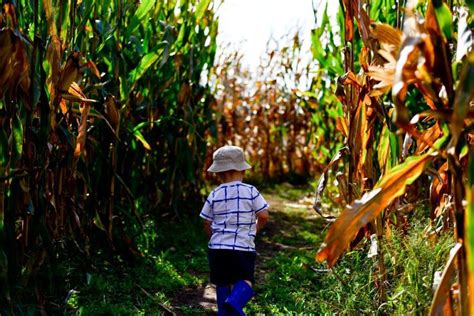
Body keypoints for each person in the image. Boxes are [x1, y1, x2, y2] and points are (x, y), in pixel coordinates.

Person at [200, 145, 269, 316]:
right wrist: (254, 229)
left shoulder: (214, 193)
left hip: (217, 249)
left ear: (218, 173)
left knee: (222, 282)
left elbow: (206, 222)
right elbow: (264, 215)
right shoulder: (251, 191)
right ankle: (235, 301)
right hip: (242, 247)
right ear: (242, 170)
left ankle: (223, 312)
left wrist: (213, 238)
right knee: (245, 280)